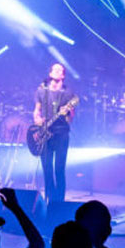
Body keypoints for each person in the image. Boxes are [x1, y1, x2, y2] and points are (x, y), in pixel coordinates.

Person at [33, 63, 76, 204]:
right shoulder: (41, 91)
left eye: (61, 70)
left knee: (59, 168)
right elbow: (36, 111)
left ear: (63, 75)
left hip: (61, 134)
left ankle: (59, 201)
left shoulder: (69, 93)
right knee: (46, 168)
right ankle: (50, 199)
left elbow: (70, 119)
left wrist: (67, 113)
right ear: (50, 73)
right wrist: (38, 120)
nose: (58, 71)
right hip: (45, 133)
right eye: (55, 69)